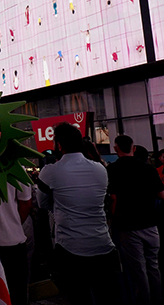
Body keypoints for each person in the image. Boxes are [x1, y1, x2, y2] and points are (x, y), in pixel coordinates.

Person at [36, 123, 120, 304]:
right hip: (103, 245)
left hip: (71, 249)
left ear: (59, 145)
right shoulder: (100, 169)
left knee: (79, 298)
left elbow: (42, 204)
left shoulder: (50, 172)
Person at [108, 135, 164, 305]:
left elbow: (114, 198)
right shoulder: (148, 169)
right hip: (150, 224)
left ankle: (144, 301)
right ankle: (157, 299)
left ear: (116, 148)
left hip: (127, 225)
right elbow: (161, 194)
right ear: (133, 148)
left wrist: (112, 219)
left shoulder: (113, 170)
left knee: (138, 269)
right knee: (153, 265)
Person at [0, 182, 32, 305]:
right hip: (13, 241)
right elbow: (26, 203)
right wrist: (11, 225)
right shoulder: (17, 166)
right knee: (17, 295)